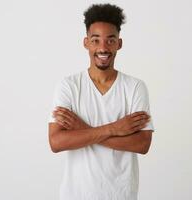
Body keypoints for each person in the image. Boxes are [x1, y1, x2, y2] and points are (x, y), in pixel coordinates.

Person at [48, 3, 155, 200]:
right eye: (96, 40)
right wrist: (114, 128)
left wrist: (82, 129)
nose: (103, 48)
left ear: (119, 44)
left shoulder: (135, 87)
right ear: (86, 42)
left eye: (110, 40)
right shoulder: (69, 86)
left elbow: (142, 144)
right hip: (75, 194)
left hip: (120, 194)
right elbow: (56, 142)